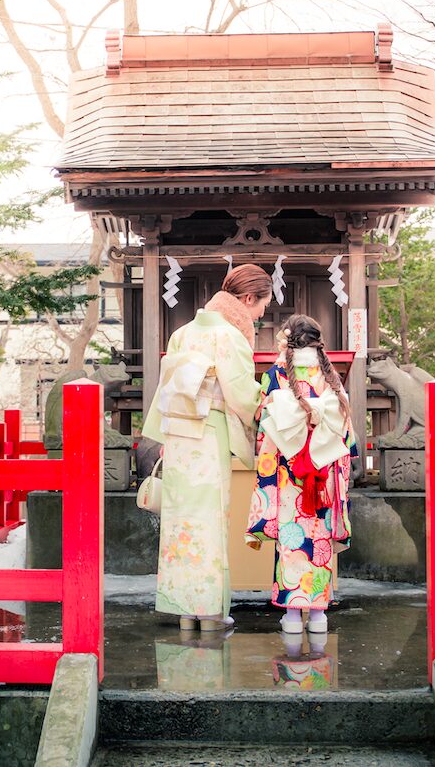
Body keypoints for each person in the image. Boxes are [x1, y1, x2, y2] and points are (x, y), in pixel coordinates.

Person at [142, 264, 273, 631]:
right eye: (262, 306)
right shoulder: (230, 336)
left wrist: (164, 436)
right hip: (209, 435)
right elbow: (242, 395)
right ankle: (212, 612)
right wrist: (269, 404)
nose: (260, 315)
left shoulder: (182, 333)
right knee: (211, 520)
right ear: (248, 298)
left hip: (178, 434)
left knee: (180, 521)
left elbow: (166, 391)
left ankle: (185, 612)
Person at [245, 314, 355, 634]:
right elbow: (346, 434)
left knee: (292, 539)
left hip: (289, 470)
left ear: (287, 340)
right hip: (322, 470)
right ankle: (319, 615)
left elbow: (264, 425)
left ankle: (293, 616)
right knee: (319, 538)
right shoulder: (330, 376)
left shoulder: (275, 374)